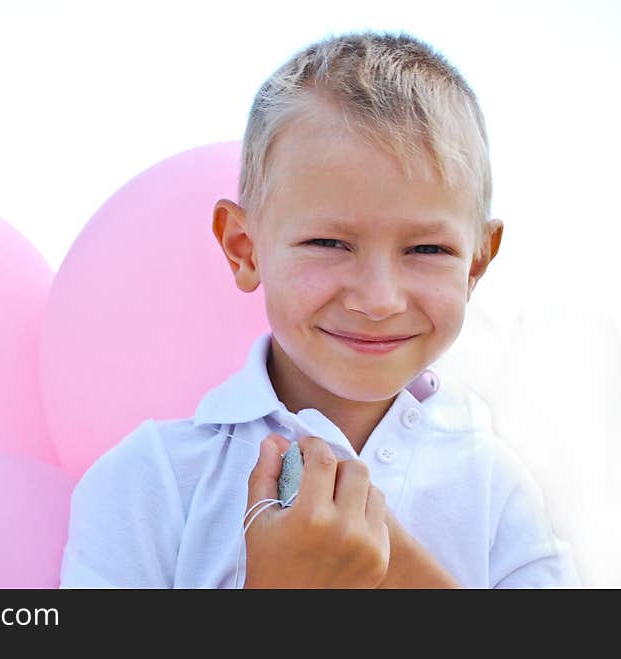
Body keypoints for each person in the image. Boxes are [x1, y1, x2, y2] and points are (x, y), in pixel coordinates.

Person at [59, 30, 579, 588]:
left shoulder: (499, 493)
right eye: (329, 244)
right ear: (244, 247)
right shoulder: (150, 481)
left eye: (427, 249)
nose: (379, 300)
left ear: (476, 263)